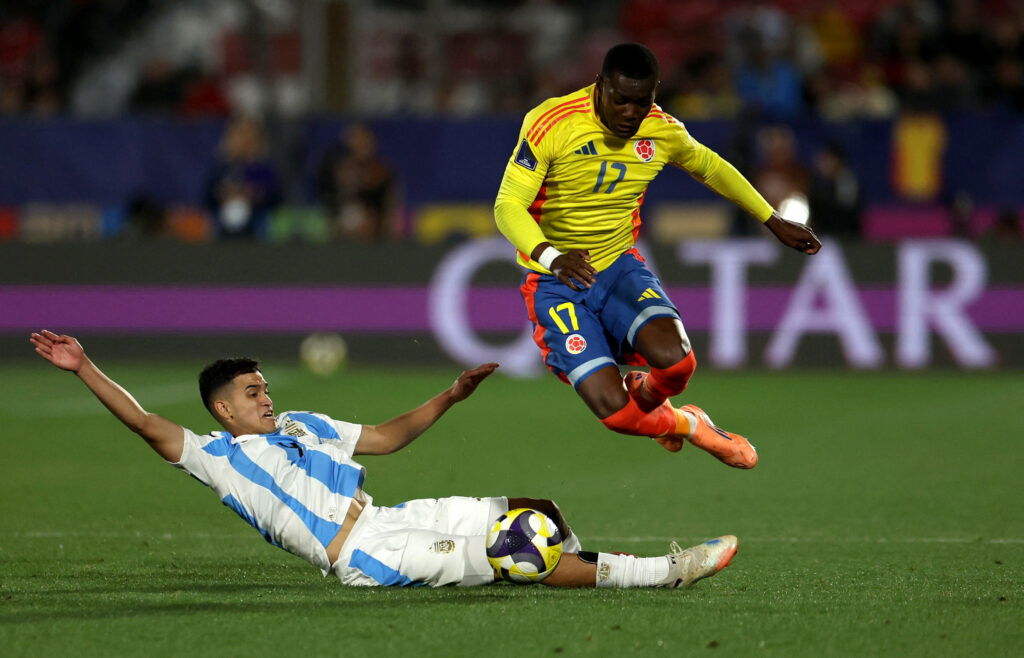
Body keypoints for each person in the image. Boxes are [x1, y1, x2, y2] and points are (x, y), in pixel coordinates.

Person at [29, 329, 738, 589]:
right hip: (364, 555)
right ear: (223, 410)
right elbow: (144, 422)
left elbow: (387, 438)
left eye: (265, 386)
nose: (266, 397)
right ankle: (661, 573)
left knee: (540, 513)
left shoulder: (303, 425)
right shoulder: (215, 456)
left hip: (388, 518)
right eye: (252, 392)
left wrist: (449, 397)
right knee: (519, 548)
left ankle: (589, 567)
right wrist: (85, 366)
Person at [493, 43, 821, 469]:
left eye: (642, 101)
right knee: (615, 414)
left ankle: (648, 398)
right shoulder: (552, 122)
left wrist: (771, 218)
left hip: (617, 266)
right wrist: (552, 256)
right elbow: (507, 206)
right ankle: (689, 425)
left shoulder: (662, 130)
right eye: (621, 100)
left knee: (678, 364)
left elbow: (711, 166)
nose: (631, 112)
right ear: (600, 86)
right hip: (555, 281)